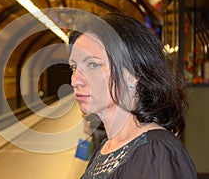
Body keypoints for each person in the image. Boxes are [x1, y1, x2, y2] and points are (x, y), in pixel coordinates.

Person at [68, 12, 197, 178]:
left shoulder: (158, 152)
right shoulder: (107, 148)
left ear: (133, 73)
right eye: (73, 67)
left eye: (93, 65)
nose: (75, 80)